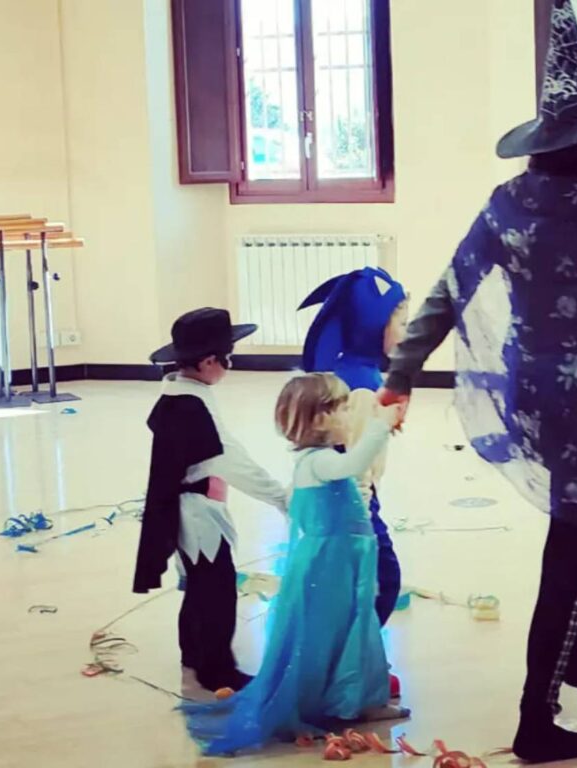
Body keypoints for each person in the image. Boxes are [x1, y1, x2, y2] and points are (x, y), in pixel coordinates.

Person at [379, 1, 577, 761]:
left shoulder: (509, 203)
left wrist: (401, 373)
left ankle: (572, 634)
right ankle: (536, 717)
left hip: (534, 398)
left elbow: (450, 292)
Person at [181, 373, 408, 756]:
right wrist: (380, 426)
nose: (351, 416)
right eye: (344, 409)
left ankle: (361, 699)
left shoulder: (317, 459)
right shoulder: (319, 462)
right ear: (319, 419)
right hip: (331, 567)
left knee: (358, 629)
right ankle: (336, 701)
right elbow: (354, 464)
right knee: (335, 633)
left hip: (346, 560)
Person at [133, 308, 288, 693]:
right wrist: (282, 498)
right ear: (207, 362)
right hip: (197, 513)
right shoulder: (192, 407)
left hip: (188, 508)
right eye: (227, 358)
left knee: (200, 587)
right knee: (216, 591)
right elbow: (232, 461)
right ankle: (216, 670)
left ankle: (194, 655)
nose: (229, 366)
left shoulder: (179, 393)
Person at [300, 267, 409, 698]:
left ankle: (354, 662)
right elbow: (357, 466)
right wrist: (362, 526)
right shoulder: (361, 386)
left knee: (361, 588)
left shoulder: (349, 370)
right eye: (401, 322)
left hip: (344, 501)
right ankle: (349, 668)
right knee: (383, 580)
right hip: (355, 505)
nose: (406, 332)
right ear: (372, 324)